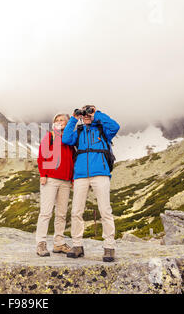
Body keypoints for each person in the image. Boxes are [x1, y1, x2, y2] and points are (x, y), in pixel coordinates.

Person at [62, 105, 120, 262]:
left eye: (89, 113)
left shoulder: (103, 130)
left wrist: (97, 114)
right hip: (80, 175)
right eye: (85, 114)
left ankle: (109, 247)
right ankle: (77, 245)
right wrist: (74, 118)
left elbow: (115, 126)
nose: (87, 116)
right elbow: (66, 138)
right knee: (76, 211)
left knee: (105, 210)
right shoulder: (79, 131)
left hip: (100, 173)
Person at [35, 113, 75, 257]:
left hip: (65, 180)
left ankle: (59, 243)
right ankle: (41, 243)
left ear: (68, 123)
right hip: (50, 179)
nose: (59, 122)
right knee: (46, 212)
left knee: (62, 214)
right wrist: (43, 174)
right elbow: (41, 156)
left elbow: (72, 160)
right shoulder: (50, 136)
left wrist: (72, 179)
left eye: (62, 120)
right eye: (57, 120)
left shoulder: (70, 140)